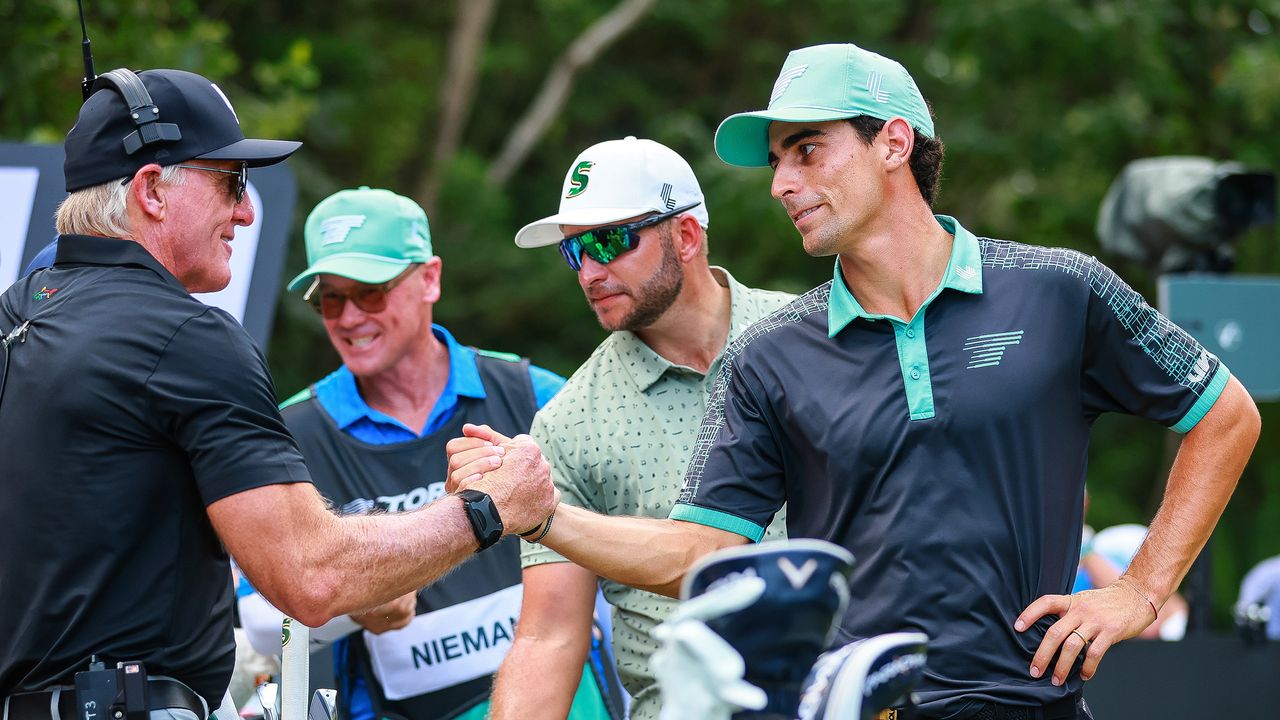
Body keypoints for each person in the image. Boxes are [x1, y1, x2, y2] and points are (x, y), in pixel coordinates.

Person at [449, 44, 1261, 719]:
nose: (780, 184)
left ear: (895, 144)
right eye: (777, 162)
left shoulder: (1059, 290)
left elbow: (1225, 416)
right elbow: (705, 551)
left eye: (808, 150)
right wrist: (544, 517)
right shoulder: (768, 354)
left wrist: (1142, 592)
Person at [0, 68, 556, 720]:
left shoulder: (14, 315)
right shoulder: (184, 335)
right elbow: (312, 578)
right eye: (229, 182)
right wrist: (485, 511)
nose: (246, 210)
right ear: (151, 191)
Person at [244, 186, 611, 720]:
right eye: (330, 299)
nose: (349, 318)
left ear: (430, 279)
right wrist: (355, 608)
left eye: (370, 292)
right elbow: (257, 619)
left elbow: (629, 529)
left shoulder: (531, 391)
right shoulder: (289, 433)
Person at [484, 137, 793, 720]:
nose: (590, 272)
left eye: (608, 241)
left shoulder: (818, 337)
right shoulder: (568, 422)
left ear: (686, 236)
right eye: (574, 252)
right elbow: (549, 636)